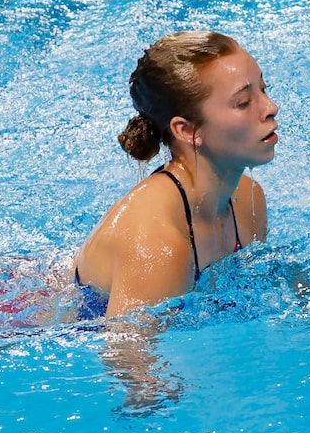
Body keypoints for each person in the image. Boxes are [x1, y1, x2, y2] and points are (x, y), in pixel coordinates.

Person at [73, 30, 277, 317]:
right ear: (187, 130)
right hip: (28, 322)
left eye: (264, 90)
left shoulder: (246, 198)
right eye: (243, 103)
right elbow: (125, 357)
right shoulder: (158, 244)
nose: (271, 108)